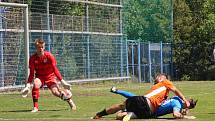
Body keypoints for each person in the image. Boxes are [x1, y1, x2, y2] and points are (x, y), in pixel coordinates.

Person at [93, 73, 190, 120]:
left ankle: (99, 114)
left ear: (161, 78)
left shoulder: (165, 82)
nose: (156, 78)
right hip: (148, 113)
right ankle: (126, 115)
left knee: (121, 105)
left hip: (145, 102)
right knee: (120, 115)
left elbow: (176, 90)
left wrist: (184, 99)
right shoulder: (162, 93)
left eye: (157, 77)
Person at [21, 38, 76, 112]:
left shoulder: (49, 56)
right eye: (39, 47)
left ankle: (69, 101)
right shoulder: (32, 58)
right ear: (36, 48)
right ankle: (35, 107)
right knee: (36, 83)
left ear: (44, 47)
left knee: (55, 92)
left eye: (42, 47)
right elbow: (31, 73)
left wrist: (63, 82)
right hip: (40, 77)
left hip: (50, 76)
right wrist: (28, 85)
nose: (40, 49)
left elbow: (55, 69)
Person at [110, 87, 197, 120]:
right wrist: (186, 117)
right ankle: (126, 112)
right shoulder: (177, 105)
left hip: (150, 103)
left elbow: (171, 106)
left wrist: (183, 110)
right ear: (188, 106)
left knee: (134, 97)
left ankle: (117, 90)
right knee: (119, 116)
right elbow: (175, 114)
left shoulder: (177, 99)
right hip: (150, 111)